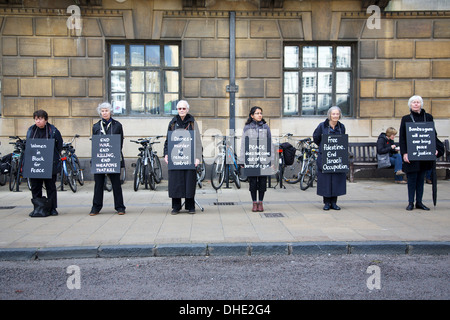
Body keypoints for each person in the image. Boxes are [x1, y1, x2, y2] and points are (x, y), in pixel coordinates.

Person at [399, 95, 444, 211]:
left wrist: (435, 148)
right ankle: (410, 202)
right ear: (410, 105)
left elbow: (432, 135)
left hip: (424, 154)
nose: (415, 104)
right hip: (411, 155)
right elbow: (402, 138)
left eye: (418, 102)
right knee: (412, 179)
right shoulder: (406, 119)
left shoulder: (428, 117)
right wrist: (404, 153)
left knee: (421, 179)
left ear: (421, 104)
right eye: (413, 102)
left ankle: (419, 201)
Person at [164, 100, 202, 214]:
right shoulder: (172, 123)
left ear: (187, 110)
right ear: (177, 110)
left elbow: (198, 142)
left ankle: (190, 206)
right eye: (179, 108)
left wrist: (198, 157)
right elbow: (168, 141)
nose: (181, 110)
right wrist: (166, 153)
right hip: (175, 157)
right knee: (176, 182)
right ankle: (176, 206)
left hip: (189, 157)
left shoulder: (192, 123)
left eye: (183, 108)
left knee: (189, 181)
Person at [90, 102, 126, 216]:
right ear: (100, 112)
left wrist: (114, 154)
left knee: (116, 184)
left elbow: (120, 141)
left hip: (113, 158)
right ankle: (96, 207)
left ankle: (120, 207)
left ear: (110, 112)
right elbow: (95, 143)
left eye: (106, 110)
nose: (104, 113)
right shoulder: (96, 126)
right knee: (98, 184)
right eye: (102, 111)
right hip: (100, 159)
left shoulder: (117, 125)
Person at [27, 109, 63, 216]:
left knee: (50, 187)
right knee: (35, 187)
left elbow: (59, 145)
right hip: (36, 164)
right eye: (36, 119)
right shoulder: (31, 130)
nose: (38, 121)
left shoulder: (53, 130)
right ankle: (38, 207)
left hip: (49, 163)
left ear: (46, 120)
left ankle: (52, 208)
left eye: (40, 119)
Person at [313, 106, 346, 211]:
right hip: (325, 157)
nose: (335, 116)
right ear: (329, 115)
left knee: (336, 180)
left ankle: (334, 202)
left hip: (337, 157)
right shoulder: (322, 126)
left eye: (337, 114)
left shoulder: (341, 127)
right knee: (326, 180)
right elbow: (316, 138)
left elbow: (342, 140)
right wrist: (324, 147)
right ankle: (326, 202)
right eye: (333, 114)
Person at [240, 106, 273, 212]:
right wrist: (242, 160)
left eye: (261, 113)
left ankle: (261, 202)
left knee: (263, 182)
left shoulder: (265, 127)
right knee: (253, 182)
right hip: (251, 158)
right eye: (257, 113)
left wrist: (271, 159)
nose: (260, 115)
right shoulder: (247, 128)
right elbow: (243, 144)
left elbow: (270, 143)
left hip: (264, 158)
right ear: (252, 115)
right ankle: (254, 202)